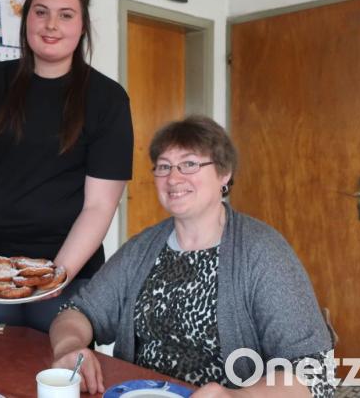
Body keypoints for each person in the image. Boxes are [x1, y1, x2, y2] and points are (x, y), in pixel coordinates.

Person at [49, 115, 336, 397]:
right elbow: (79, 312)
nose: (173, 178)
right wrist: (69, 348)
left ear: (224, 174)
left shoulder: (262, 252)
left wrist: (237, 396)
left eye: (189, 164)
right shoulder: (141, 248)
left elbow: (313, 370)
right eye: (164, 167)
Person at [0, 0, 133, 332]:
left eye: (65, 15)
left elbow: (100, 204)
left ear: (82, 25)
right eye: (41, 12)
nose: (52, 25)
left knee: (63, 379)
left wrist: (58, 272)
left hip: (73, 271)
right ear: (26, 21)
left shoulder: (108, 99)